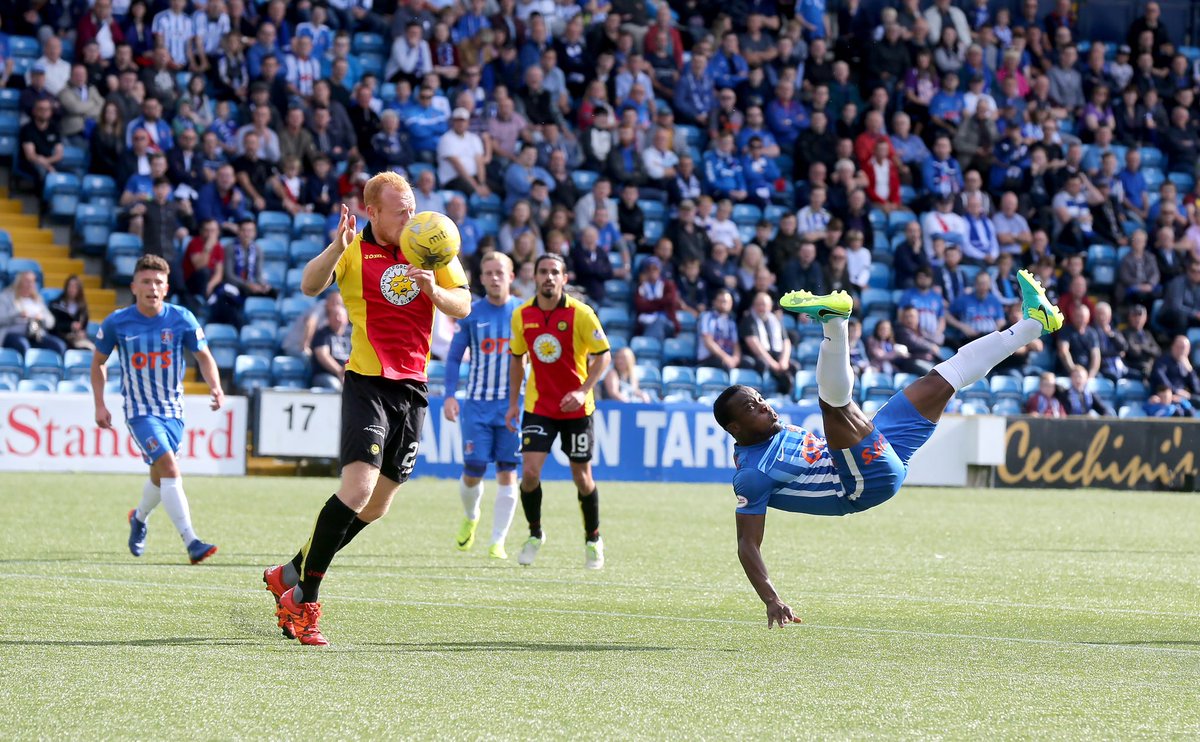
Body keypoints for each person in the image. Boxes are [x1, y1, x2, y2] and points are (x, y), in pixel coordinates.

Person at [715, 270, 1063, 626]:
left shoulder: (770, 433)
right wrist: (771, 598)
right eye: (752, 408)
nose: (764, 406)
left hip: (872, 452)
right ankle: (834, 323)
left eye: (760, 399)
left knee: (943, 378)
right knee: (834, 408)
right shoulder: (752, 475)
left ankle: (1034, 323)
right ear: (735, 428)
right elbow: (747, 545)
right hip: (859, 485)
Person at [262, 175, 472, 647]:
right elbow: (309, 285)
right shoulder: (354, 250)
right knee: (357, 490)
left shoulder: (430, 242)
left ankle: (289, 573)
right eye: (400, 211)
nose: (409, 217)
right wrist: (336, 248)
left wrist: (434, 291)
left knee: (377, 506)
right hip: (368, 382)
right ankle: (304, 600)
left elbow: (462, 304)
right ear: (372, 212)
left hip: (414, 388)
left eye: (411, 207)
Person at [90, 255, 223, 565]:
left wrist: (215, 386)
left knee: (159, 473)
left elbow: (203, 356)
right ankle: (192, 542)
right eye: (146, 282)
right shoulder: (117, 322)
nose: (152, 287)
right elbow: (98, 362)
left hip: (173, 412)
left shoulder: (181, 318)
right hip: (140, 413)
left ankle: (138, 518)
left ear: (166, 288)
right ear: (134, 287)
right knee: (170, 469)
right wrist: (100, 403)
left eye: (158, 282)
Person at [504, 253, 612, 569]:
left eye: (555, 272)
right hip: (539, 406)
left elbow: (603, 355)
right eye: (543, 271)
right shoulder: (522, 315)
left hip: (577, 409)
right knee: (529, 473)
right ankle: (535, 533)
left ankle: (593, 538)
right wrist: (513, 403)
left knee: (582, 477)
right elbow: (516, 359)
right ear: (534, 277)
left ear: (564, 278)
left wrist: (583, 390)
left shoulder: (582, 313)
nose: (549, 277)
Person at [442, 252, 523, 561]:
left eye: (500, 272)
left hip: (513, 406)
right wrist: (450, 395)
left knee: (507, 472)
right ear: (481, 278)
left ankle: (497, 542)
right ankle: (471, 515)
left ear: (511, 276)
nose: (494, 278)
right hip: (477, 406)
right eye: (488, 273)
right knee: (473, 470)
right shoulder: (471, 313)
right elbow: (453, 357)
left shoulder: (523, 313)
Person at [0, 271, 68, 355]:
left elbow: (51, 322)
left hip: (36, 334)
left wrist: (41, 318)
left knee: (59, 346)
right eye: (27, 281)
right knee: (23, 345)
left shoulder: (37, 300)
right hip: (13, 334)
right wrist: (17, 315)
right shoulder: (6, 297)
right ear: (19, 282)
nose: (30, 284)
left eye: (33, 281)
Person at [48, 275, 95, 351]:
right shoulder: (56, 305)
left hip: (77, 338)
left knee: (94, 347)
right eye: (70, 286)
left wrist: (82, 333)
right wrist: (70, 326)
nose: (72, 289)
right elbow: (53, 325)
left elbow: (84, 325)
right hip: (60, 336)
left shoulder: (82, 308)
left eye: (75, 287)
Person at [310, 304, 351, 390]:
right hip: (325, 375)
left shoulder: (352, 334)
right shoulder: (322, 334)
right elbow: (323, 356)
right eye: (335, 315)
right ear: (328, 318)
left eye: (340, 316)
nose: (338, 319)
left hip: (348, 374)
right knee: (334, 385)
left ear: (347, 319)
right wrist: (340, 372)